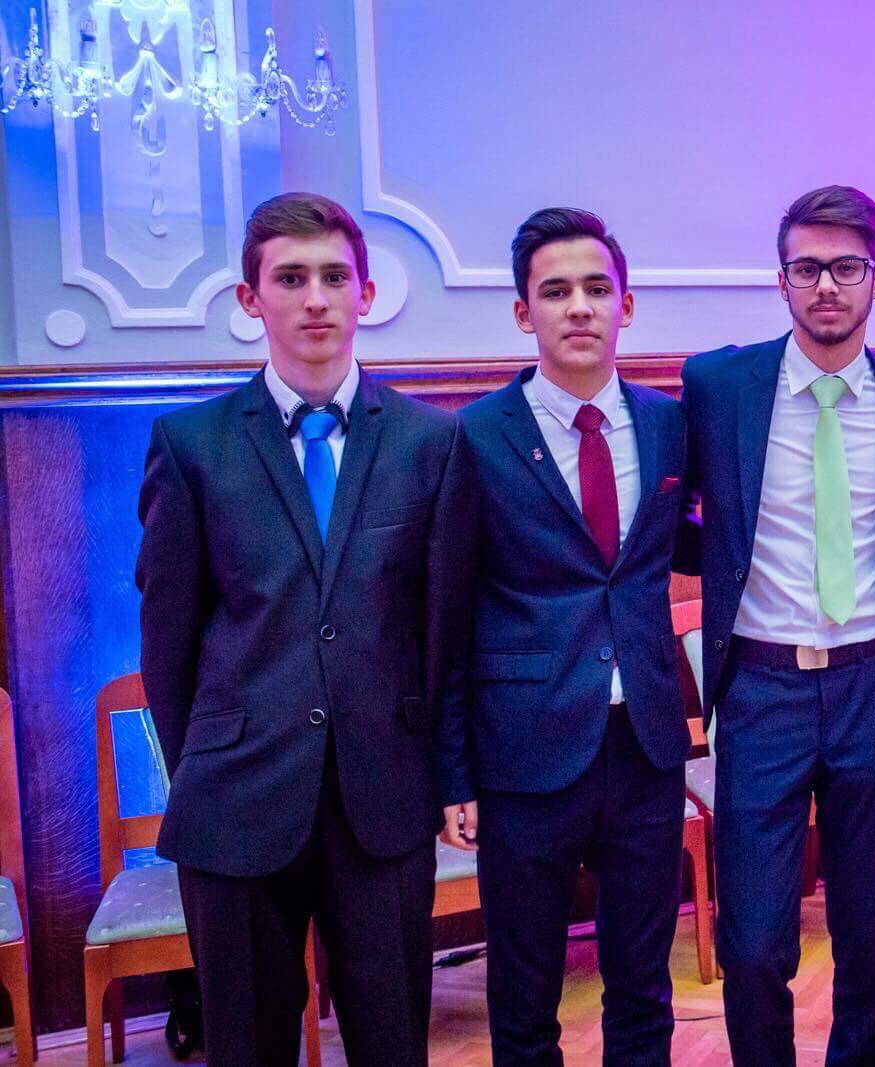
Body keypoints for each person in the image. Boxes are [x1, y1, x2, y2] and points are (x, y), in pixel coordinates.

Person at [136, 192, 474, 1065]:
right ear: (251, 299)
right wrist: (205, 758)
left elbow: (442, 630)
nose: (316, 298)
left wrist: (444, 771)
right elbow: (167, 642)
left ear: (366, 292)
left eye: (334, 276)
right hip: (236, 798)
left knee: (393, 1042)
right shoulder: (191, 443)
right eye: (291, 278)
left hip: (384, 796)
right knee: (247, 1045)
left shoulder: (430, 442)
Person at [677, 185, 875, 1065]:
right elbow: (676, 519)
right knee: (755, 942)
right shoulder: (720, 388)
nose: (826, 285)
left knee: (868, 935)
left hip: (874, 684)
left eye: (846, 267)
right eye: (806, 268)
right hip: (762, 689)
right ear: (781, 278)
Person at [435, 208, 694, 1065]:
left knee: (644, 989)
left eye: (596, 288)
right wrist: (454, 771)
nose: (578, 307)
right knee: (524, 1002)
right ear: (524, 313)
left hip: (645, 745)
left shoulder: (668, 424)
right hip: (524, 752)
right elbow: (447, 613)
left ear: (627, 305)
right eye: (555, 292)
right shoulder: (474, 436)